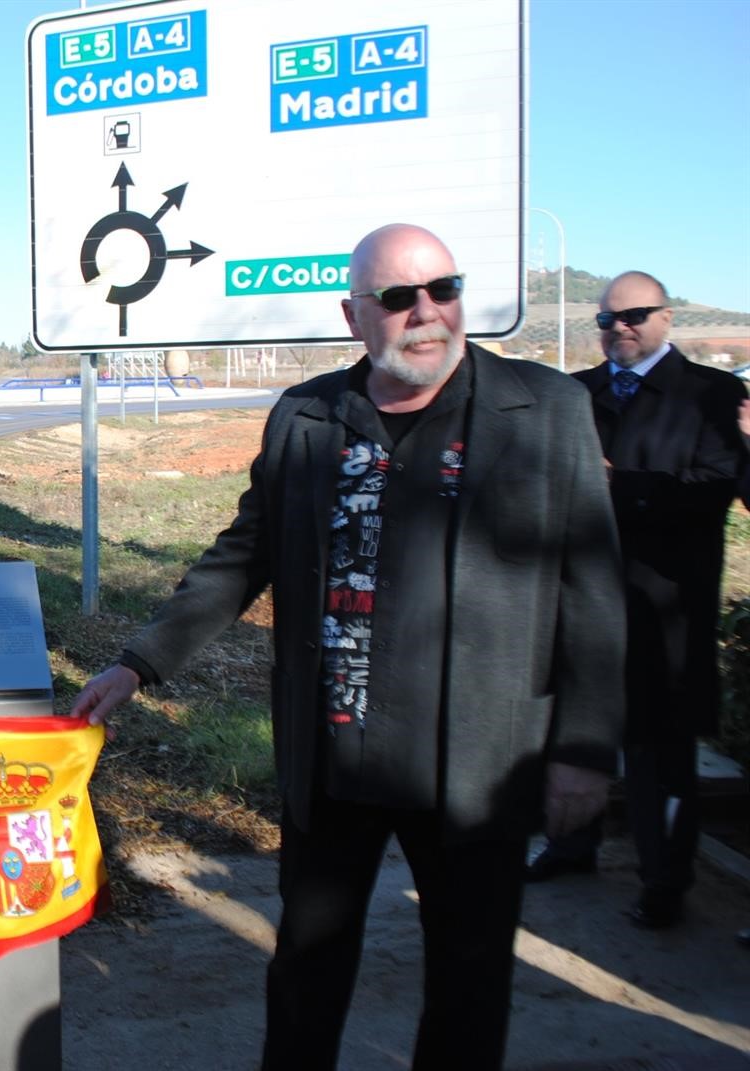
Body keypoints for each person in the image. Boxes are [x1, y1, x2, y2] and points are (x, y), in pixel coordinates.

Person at [70, 223, 626, 1070]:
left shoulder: (546, 411)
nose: (427, 314)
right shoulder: (309, 416)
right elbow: (241, 556)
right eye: (399, 298)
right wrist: (138, 661)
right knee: (306, 969)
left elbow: (592, 588)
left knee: (469, 981)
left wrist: (584, 746)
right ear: (355, 314)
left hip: (478, 763)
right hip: (337, 757)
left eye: (444, 289)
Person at [525, 272, 745, 930]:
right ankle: (571, 844)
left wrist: (616, 487)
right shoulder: (575, 395)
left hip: (666, 609)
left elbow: (712, 490)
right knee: (576, 733)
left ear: (667, 318)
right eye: (605, 318)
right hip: (579, 603)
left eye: (634, 314)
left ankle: (665, 878)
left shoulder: (713, 394)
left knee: (660, 753)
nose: (618, 327)